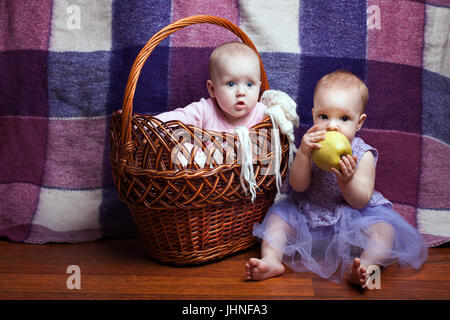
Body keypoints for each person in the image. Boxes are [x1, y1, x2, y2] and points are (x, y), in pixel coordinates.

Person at [245, 69, 428, 288]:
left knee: (384, 231)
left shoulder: (363, 154)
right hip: (309, 210)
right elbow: (298, 186)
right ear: (313, 115)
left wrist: (347, 181)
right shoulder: (311, 146)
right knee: (277, 219)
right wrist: (303, 154)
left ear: (359, 123)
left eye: (344, 118)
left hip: (350, 215)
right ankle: (272, 260)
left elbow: (360, 200)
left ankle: (365, 269)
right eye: (323, 116)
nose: (332, 125)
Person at [155, 41, 267, 132]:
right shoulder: (205, 110)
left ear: (259, 88)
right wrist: (151, 124)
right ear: (212, 89)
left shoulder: (263, 114)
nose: (241, 92)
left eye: (250, 84)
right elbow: (180, 117)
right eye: (231, 84)